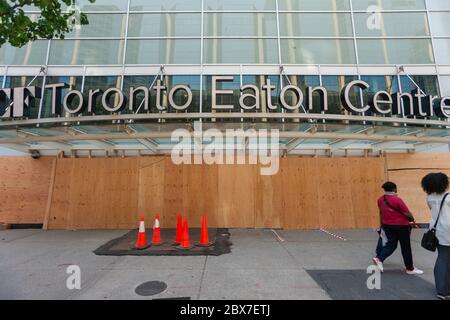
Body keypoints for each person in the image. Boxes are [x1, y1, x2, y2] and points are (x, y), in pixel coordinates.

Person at [372, 181, 424, 275]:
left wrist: (381, 224)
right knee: (405, 247)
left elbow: (381, 212)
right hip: (401, 226)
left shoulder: (380, 199)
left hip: (387, 225)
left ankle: (379, 258)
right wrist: (412, 219)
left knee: (391, 244)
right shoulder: (397, 200)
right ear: (394, 189)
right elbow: (407, 213)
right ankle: (410, 268)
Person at [421, 173, 450, 300]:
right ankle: (445, 290)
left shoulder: (429, 198)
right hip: (448, 230)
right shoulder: (448, 197)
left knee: (442, 258)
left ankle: (441, 290)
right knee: (445, 260)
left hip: (437, 231)